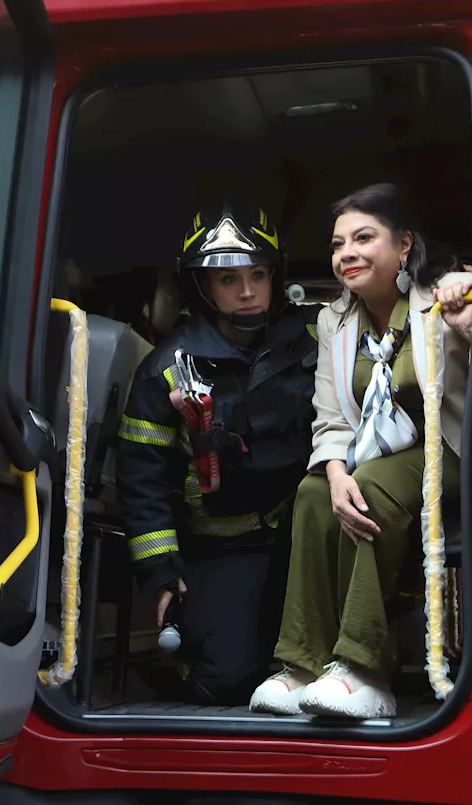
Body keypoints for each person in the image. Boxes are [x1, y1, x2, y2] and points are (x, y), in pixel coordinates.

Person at [249, 182, 472, 720]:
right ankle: (303, 664)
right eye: (337, 243)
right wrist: (332, 472)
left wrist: (471, 305)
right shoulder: (334, 320)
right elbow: (329, 417)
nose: (345, 252)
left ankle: (365, 668)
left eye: (363, 237)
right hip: (371, 460)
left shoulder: (443, 296)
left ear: (403, 245)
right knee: (310, 493)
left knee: (371, 488)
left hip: (451, 454)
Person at [116, 203, 318, 705]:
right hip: (225, 549)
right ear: (201, 287)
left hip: (309, 541)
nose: (247, 291)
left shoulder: (316, 340)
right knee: (226, 684)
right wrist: (161, 569)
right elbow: (142, 476)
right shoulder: (166, 370)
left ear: (276, 277)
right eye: (228, 280)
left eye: (257, 275)